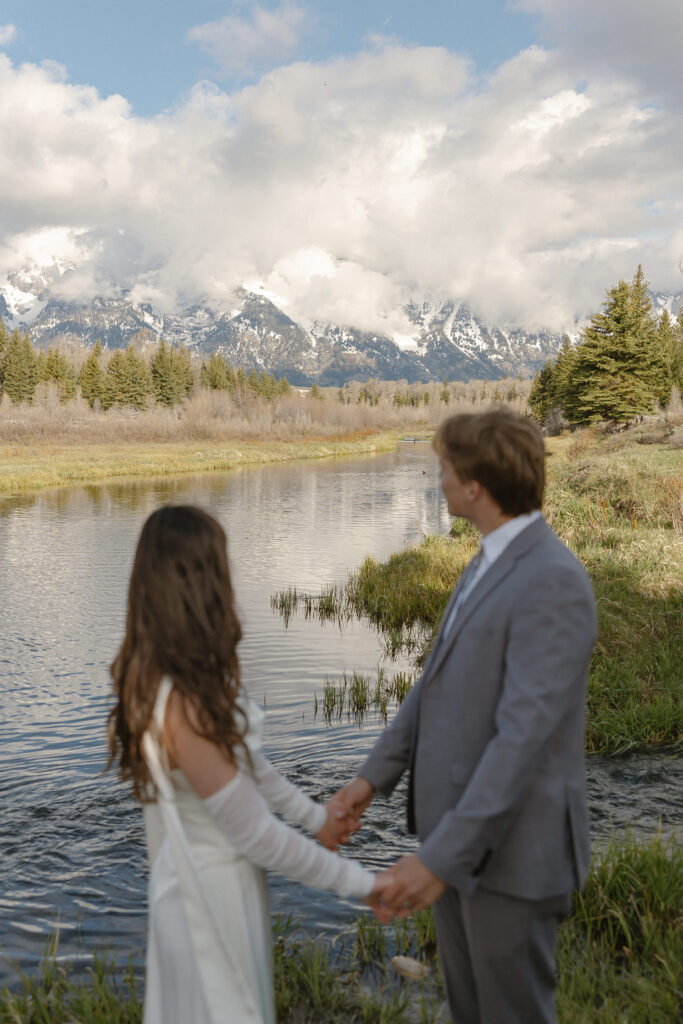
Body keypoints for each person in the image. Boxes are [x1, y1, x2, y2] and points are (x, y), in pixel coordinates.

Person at [335, 408, 598, 1024]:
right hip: (456, 844)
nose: (439, 480)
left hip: (513, 856)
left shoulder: (553, 579)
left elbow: (521, 743)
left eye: (444, 469)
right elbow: (432, 688)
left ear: (475, 484)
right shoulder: (482, 563)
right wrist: (368, 781)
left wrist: (435, 860)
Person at [107, 505, 381, 1024]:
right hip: (207, 903)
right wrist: (364, 885)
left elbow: (252, 769)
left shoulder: (166, 677)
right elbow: (256, 835)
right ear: (201, 584)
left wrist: (319, 819)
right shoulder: (181, 706)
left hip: (209, 887)